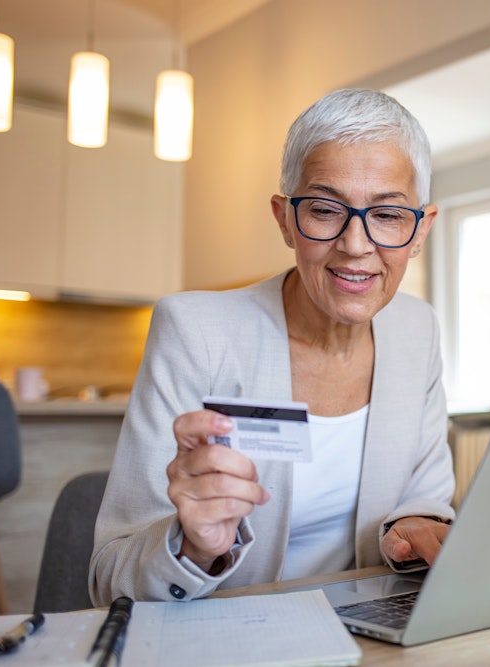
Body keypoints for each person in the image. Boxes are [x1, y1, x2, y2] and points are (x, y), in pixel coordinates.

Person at [89, 89, 455, 604]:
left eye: (389, 216)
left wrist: (415, 528)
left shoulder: (418, 330)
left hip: (370, 636)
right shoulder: (195, 331)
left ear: (420, 230)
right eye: (326, 210)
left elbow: (425, 495)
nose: (355, 244)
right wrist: (192, 546)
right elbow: (109, 574)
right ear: (285, 219)